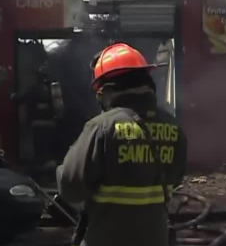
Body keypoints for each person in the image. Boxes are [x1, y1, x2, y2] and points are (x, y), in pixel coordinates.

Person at [57, 43, 187, 246]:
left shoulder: (101, 127)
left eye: (99, 93)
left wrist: (62, 169)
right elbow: (175, 178)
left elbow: (71, 188)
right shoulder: (173, 127)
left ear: (108, 90)